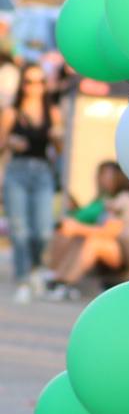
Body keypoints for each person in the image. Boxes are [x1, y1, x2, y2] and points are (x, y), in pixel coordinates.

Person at [2, 63, 61, 300]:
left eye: (38, 82)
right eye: (28, 82)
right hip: (17, 171)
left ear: (45, 86)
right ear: (22, 85)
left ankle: (37, 268)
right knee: (19, 229)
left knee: (44, 230)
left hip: (42, 172)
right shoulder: (11, 112)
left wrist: (58, 137)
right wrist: (10, 142)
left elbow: (60, 150)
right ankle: (23, 279)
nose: (33, 87)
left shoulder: (52, 112)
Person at [41, 163, 129, 300]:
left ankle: (65, 283)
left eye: (108, 176)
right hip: (111, 244)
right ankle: (58, 276)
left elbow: (112, 231)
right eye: (101, 175)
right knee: (78, 238)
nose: (103, 180)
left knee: (93, 242)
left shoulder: (124, 199)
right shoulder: (105, 199)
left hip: (124, 251)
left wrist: (78, 228)